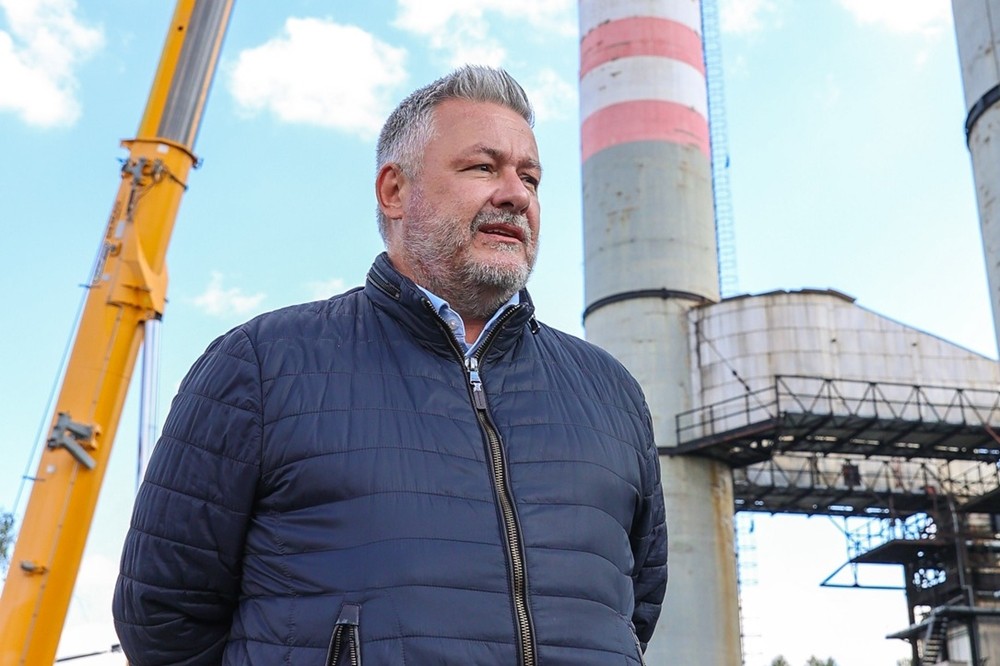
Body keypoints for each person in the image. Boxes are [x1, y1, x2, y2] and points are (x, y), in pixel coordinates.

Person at [113, 65, 666, 666]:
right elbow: (164, 616)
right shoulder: (262, 366)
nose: (516, 195)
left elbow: (633, 609)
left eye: (529, 177)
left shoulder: (610, 392)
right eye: (483, 168)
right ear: (394, 191)